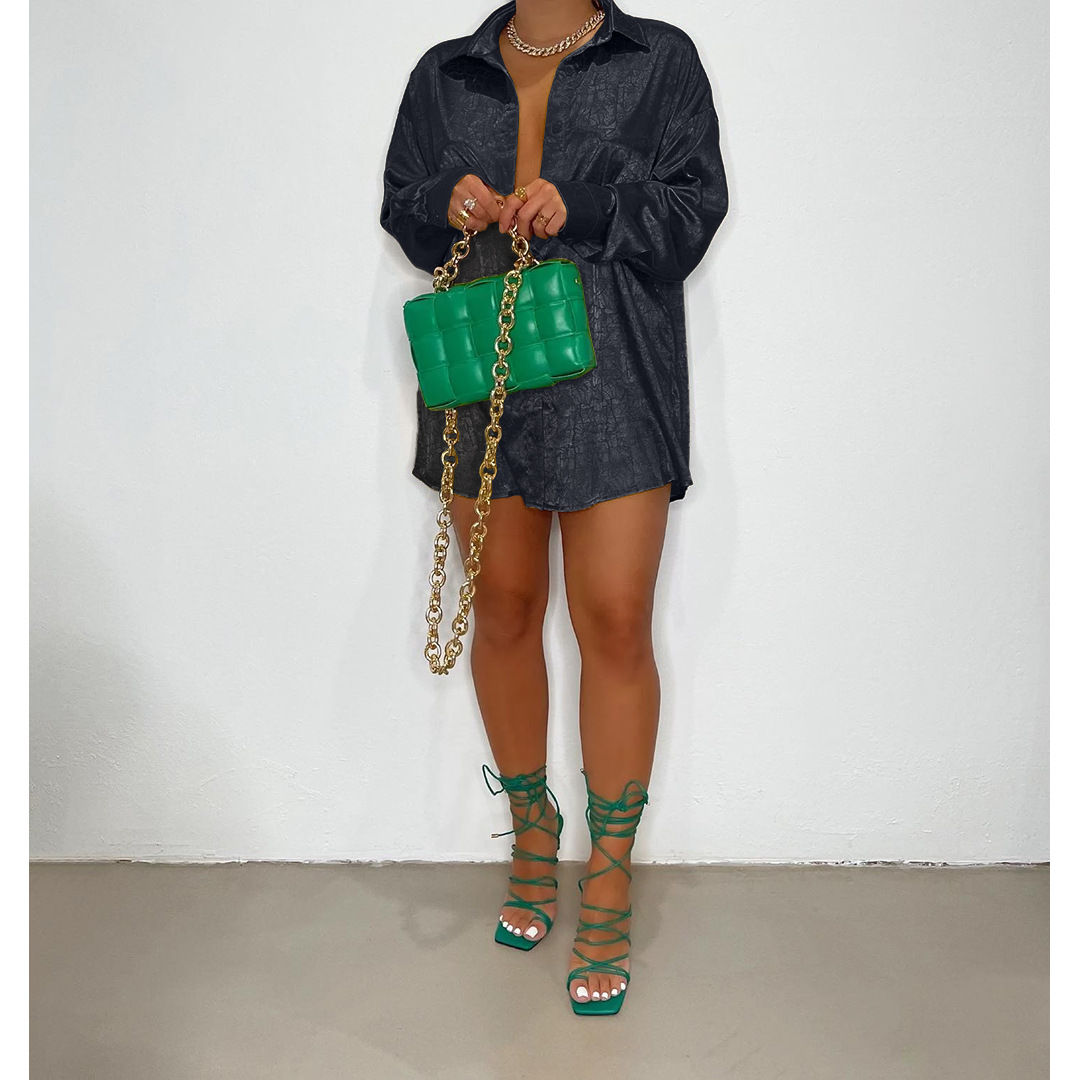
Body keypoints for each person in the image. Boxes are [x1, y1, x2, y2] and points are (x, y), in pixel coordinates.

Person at [380, 0, 728, 1015]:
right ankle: (533, 837)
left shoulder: (658, 58)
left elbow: (691, 213)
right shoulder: (446, 72)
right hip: (480, 374)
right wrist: (445, 200)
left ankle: (608, 879)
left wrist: (583, 203)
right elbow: (402, 206)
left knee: (613, 619)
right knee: (503, 610)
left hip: (613, 374)